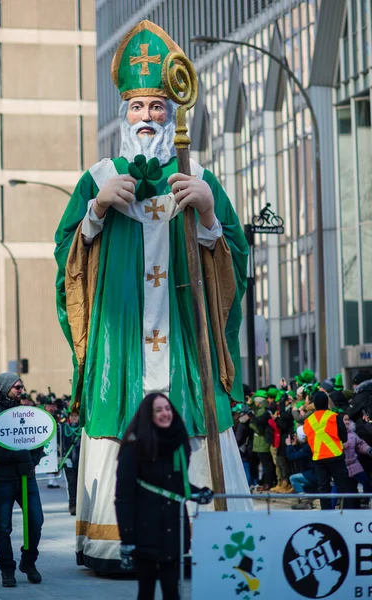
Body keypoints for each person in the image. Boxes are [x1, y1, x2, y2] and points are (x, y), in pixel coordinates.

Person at [54, 20, 251, 570]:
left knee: (193, 414)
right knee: (123, 420)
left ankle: (202, 536)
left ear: (173, 111)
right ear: (124, 112)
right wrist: (94, 211)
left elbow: (235, 259)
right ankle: (115, 541)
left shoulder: (198, 173)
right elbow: (64, 260)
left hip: (185, 344)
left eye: (158, 106)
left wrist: (210, 213)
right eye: (137, 106)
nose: (147, 117)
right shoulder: (99, 175)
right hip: (124, 349)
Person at [115, 392, 212, 600]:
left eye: (167, 408)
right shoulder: (134, 446)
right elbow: (123, 496)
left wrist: (198, 493)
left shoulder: (178, 441)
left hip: (173, 527)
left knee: (172, 590)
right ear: (148, 415)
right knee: (146, 590)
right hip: (145, 528)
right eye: (158, 410)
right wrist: (127, 538)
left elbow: (176, 484)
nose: (165, 414)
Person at [0, 372, 44, 587]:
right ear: (5, 388)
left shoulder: (27, 413)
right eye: (17, 387)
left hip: (27, 478)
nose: (21, 390)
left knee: (36, 521)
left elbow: (38, 437)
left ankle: (28, 561)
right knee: (4, 526)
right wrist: (13, 455)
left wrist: (32, 459)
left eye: (22, 387)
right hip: (3, 480)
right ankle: (7, 568)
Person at [303, 391, 353, 510]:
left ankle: (326, 516)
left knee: (323, 488)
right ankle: (348, 513)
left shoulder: (308, 421)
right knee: (344, 486)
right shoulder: (334, 417)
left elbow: (308, 438)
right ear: (327, 402)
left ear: (314, 404)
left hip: (319, 458)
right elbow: (344, 438)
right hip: (336, 456)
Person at [285, 427, 317, 510]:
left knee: (293, 478)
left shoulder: (308, 446)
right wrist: (295, 445)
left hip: (316, 473)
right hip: (316, 472)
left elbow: (292, 456)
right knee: (302, 485)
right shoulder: (311, 442)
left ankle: (304, 502)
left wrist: (289, 445)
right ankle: (308, 501)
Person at [60, 412, 82, 515]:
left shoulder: (82, 429)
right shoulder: (64, 428)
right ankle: (72, 506)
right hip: (68, 460)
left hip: (80, 460)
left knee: (80, 484)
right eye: (72, 416)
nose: (74, 418)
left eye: (76, 415)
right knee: (71, 484)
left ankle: (80, 505)